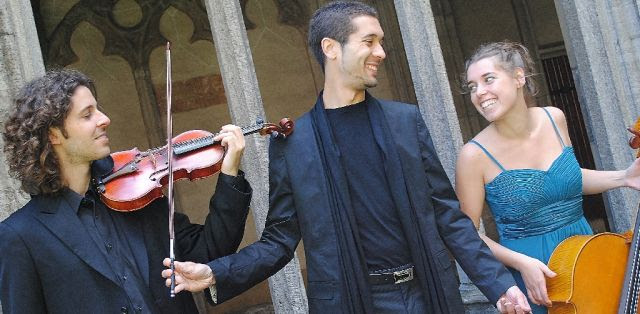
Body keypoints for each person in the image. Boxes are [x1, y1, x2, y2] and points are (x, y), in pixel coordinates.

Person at [161, 2, 532, 313]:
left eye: (381, 42)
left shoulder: (406, 121)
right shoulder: (294, 142)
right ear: (331, 47)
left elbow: (448, 216)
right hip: (352, 302)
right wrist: (216, 273)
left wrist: (499, 285)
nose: (381, 52)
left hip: (429, 292)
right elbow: (279, 241)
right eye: (368, 41)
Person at [0, 69, 252, 314]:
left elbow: (208, 250)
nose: (104, 119)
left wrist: (229, 175)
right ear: (53, 134)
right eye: (87, 115)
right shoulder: (20, 237)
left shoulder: (136, 195)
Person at [455, 41, 640, 313]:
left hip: (583, 254)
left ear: (519, 77)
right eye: (472, 87)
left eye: (488, 79)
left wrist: (624, 177)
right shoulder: (473, 156)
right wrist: (520, 262)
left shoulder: (554, 118)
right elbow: (466, 233)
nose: (480, 93)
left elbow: (566, 180)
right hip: (534, 273)